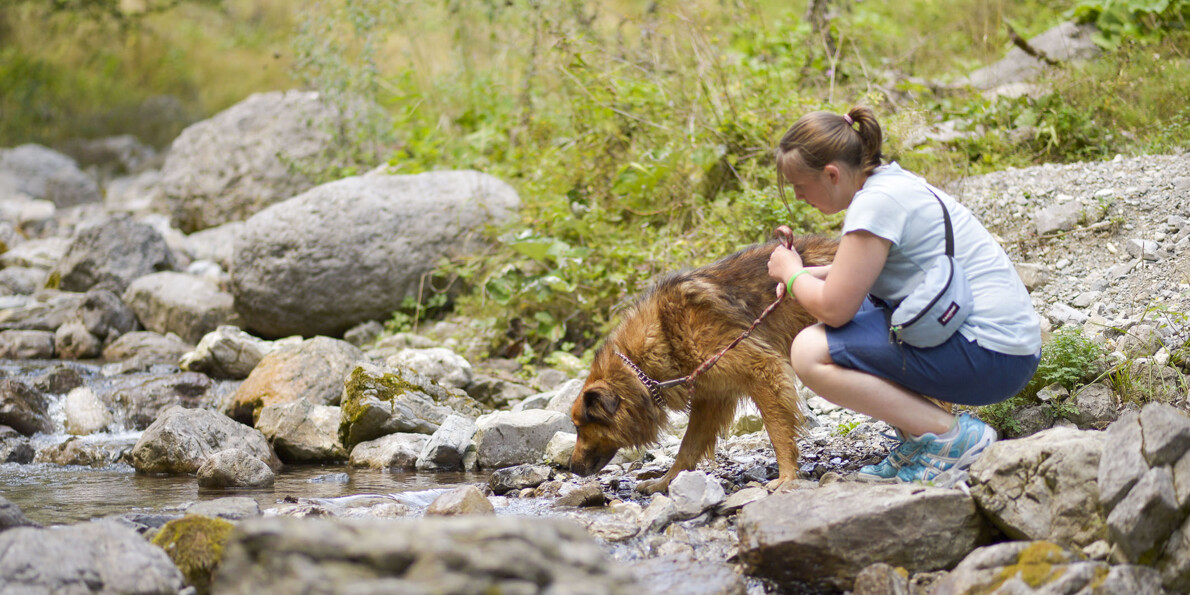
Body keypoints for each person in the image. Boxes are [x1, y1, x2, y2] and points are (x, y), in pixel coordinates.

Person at [767, 106, 1042, 483]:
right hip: (1004, 347)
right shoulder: (890, 184)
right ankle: (921, 439)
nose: (798, 197)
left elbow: (834, 307)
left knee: (809, 351)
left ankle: (952, 439)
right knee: (854, 317)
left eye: (799, 186)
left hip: (992, 353)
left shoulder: (875, 204)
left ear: (831, 174)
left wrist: (792, 272)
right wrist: (808, 277)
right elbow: (870, 269)